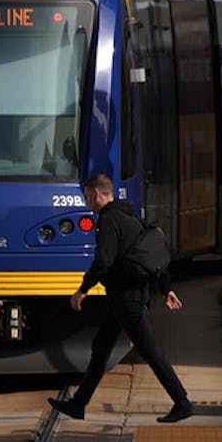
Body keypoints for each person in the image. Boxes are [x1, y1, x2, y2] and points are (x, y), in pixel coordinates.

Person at [48, 172, 194, 424]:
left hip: (128, 298)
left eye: (86, 197)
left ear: (96, 193)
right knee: (101, 348)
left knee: (150, 351)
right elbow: (151, 254)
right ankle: (78, 404)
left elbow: (103, 261)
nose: (86, 203)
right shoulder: (128, 215)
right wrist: (166, 287)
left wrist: (82, 290)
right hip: (121, 297)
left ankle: (182, 402)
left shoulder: (109, 220)